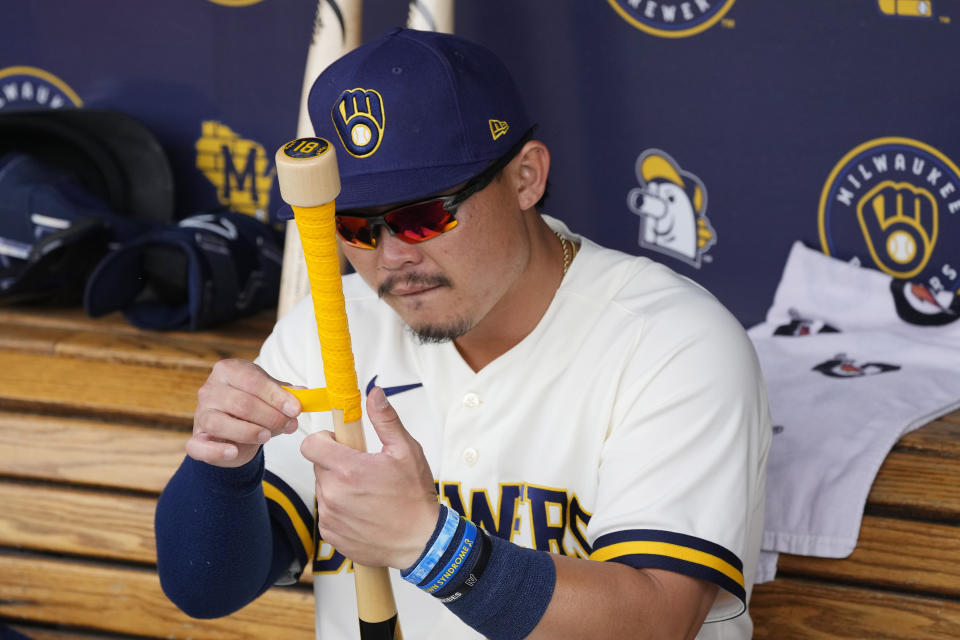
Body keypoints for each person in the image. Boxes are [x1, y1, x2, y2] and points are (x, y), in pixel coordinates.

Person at [155, 27, 770, 640]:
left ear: (525, 177)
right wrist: (220, 467)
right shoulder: (328, 327)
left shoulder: (673, 342)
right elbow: (207, 587)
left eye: (423, 216)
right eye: (357, 226)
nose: (391, 256)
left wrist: (431, 544)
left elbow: (657, 624)